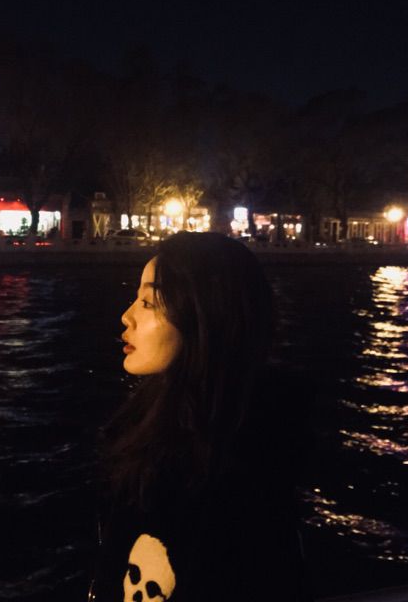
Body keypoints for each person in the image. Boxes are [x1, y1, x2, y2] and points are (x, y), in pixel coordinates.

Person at [88, 231, 310, 601]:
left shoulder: (223, 473)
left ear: (204, 314)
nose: (126, 316)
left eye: (148, 302)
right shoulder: (171, 432)